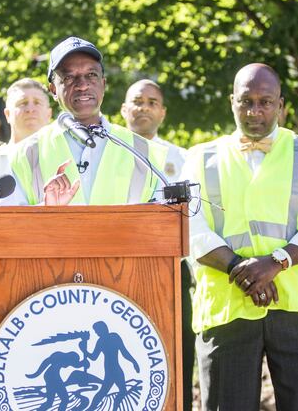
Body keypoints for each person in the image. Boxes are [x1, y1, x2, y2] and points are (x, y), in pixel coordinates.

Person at [181, 63, 298, 410]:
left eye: (265, 102)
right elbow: (188, 227)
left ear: (281, 105)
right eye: (246, 101)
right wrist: (241, 269)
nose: (255, 111)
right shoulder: (199, 158)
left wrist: (276, 262)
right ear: (231, 103)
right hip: (227, 309)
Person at [9, 36, 167, 207]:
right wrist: (46, 210)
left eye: (91, 75)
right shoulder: (25, 154)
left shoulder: (143, 151)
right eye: (69, 78)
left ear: (103, 84)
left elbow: (163, 221)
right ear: (53, 90)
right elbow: (9, 226)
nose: (82, 85)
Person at [119, 78, 195, 408]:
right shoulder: (104, 155)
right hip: (118, 274)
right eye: (137, 101)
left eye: (152, 102)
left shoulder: (184, 159)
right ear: (123, 110)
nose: (144, 108)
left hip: (170, 274)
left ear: (163, 112)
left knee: (176, 360)